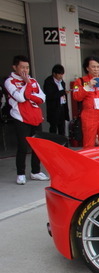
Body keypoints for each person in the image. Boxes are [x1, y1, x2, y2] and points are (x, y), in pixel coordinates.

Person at [4, 55, 48, 185]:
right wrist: (27, 86)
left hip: (36, 118)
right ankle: (21, 173)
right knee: (22, 147)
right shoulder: (9, 81)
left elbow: (42, 98)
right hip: (21, 118)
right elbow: (21, 98)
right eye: (22, 67)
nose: (25, 70)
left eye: (27, 67)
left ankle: (35, 171)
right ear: (15, 67)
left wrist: (29, 93)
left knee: (38, 147)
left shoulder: (33, 80)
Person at [72, 56, 99, 148]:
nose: (96, 69)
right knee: (89, 142)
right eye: (93, 67)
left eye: (98, 67)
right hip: (89, 114)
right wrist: (88, 86)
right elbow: (76, 97)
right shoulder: (80, 81)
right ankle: (88, 161)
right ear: (87, 68)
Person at [43, 64, 69, 136]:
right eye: (59, 74)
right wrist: (63, 92)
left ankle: (62, 145)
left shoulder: (62, 82)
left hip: (62, 106)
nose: (61, 76)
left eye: (62, 74)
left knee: (62, 128)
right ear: (54, 74)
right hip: (53, 108)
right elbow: (50, 95)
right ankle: (53, 145)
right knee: (53, 128)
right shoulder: (48, 82)